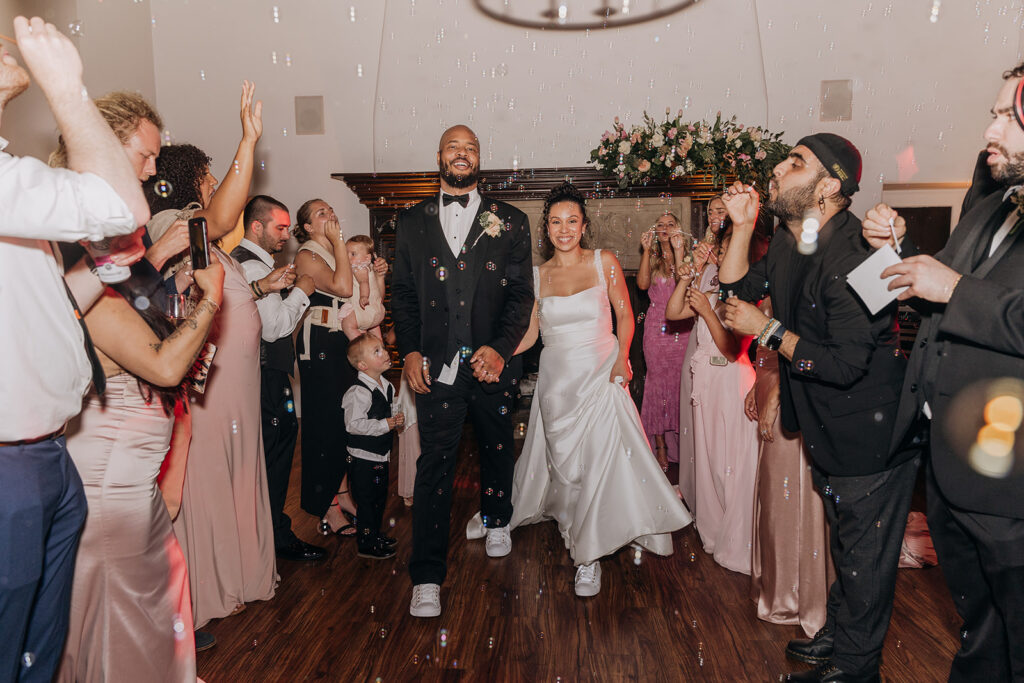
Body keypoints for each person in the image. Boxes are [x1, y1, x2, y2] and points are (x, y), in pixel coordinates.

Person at [715, 133, 918, 683]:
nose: (777, 168)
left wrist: (770, 330)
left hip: (872, 437)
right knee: (846, 544)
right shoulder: (791, 238)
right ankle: (840, 632)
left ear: (830, 186)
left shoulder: (863, 255)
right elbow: (734, 286)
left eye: (794, 161)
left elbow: (847, 364)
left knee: (865, 560)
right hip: (828, 427)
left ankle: (856, 670)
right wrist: (740, 225)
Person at [862, 62, 1024, 681]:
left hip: (1010, 485)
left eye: (1008, 115)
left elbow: (960, 293)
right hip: (956, 472)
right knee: (982, 633)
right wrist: (894, 247)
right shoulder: (993, 205)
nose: (990, 126)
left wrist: (952, 285)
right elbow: (940, 293)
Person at [0, 17, 149, 682]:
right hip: (11, 468)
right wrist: (66, 86)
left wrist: (103, 270)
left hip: (46, 455)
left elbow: (45, 305)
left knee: (38, 649)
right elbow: (122, 203)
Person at [485, 182, 691, 597]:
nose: (564, 229)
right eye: (556, 222)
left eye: (572, 221)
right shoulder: (537, 276)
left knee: (599, 460)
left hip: (601, 372)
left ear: (584, 226)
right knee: (569, 467)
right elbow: (529, 335)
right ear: (547, 228)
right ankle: (578, 527)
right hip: (557, 381)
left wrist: (622, 358)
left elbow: (625, 315)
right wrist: (499, 354)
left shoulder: (604, 262)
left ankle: (588, 557)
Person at [58, 258, 224, 683]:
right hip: (108, 495)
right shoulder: (97, 304)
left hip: (135, 492)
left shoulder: (133, 300)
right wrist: (213, 299)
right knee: (123, 617)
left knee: (149, 610)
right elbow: (167, 367)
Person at [392, 124, 534, 618]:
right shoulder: (410, 223)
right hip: (435, 368)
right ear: (438, 156)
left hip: (494, 366)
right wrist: (408, 351)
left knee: (498, 447)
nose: (462, 153)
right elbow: (404, 295)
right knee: (434, 466)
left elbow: (521, 295)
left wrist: (499, 349)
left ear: (479, 159)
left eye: (471, 147)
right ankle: (427, 575)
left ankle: (497, 517)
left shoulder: (510, 220)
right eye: (454, 146)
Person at [169, 83, 285, 628]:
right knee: (211, 480)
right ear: (192, 182)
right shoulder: (184, 233)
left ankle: (242, 571)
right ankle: (210, 587)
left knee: (241, 473)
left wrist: (261, 293)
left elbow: (227, 296)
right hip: (208, 383)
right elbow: (192, 298)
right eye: (208, 176)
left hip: (237, 384)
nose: (216, 185)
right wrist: (248, 141)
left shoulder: (210, 246)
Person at [231, 195, 326, 563]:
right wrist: (303, 289)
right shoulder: (254, 269)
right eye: (280, 227)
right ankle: (272, 538)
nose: (286, 234)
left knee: (264, 459)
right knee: (275, 459)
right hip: (268, 376)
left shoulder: (245, 261)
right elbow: (275, 328)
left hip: (253, 376)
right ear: (257, 226)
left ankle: (265, 534)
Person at [667, 230, 760, 574]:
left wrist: (707, 311)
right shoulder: (708, 290)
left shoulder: (746, 297)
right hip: (704, 382)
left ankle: (739, 535)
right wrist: (692, 271)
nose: (720, 258)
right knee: (707, 457)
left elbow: (733, 349)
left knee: (729, 461)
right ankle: (716, 526)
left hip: (732, 382)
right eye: (718, 252)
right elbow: (673, 311)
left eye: (726, 253)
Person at [747, 299, 833, 638]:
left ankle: (797, 595)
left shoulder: (806, 283)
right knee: (773, 494)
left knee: (789, 496)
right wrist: (758, 385)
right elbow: (766, 349)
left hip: (794, 393)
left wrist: (778, 396)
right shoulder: (773, 285)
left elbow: (811, 347)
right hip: (770, 382)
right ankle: (775, 583)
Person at [293, 198, 358, 537]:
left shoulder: (335, 252)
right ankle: (328, 507)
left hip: (340, 341)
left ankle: (343, 493)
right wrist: (337, 242)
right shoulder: (307, 255)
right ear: (306, 227)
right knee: (325, 424)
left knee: (345, 422)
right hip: (319, 343)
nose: (330, 214)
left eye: (331, 209)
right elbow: (342, 288)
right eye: (321, 213)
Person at [676, 197, 728, 509]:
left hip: (724, 338)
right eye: (709, 211)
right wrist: (691, 263)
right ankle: (692, 483)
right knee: (691, 406)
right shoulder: (703, 254)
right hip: (700, 334)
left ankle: (715, 488)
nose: (713, 216)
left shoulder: (736, 254)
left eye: (720, 210)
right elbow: (682, 294)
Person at [637, 212, 693, 471]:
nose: (665, 228)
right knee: (658, 384)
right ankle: (660, 445)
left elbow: (686, 282)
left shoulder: (688, 257)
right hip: (656, 328)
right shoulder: (653, 257)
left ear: (678, 229)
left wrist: (679, 251)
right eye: (660, 224)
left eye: (671, 224)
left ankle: (683, 444)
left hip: (682, 325)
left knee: (680, 384)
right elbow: (642, 284)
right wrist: (647, 251)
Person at [342, 334, 404, 560]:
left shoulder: (386, 384)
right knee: (367, 502)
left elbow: (390, 408)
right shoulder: (359, 392)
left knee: (379, 499)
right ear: (362, 365)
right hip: (363, 458)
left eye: (383, 348)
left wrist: (396, 417)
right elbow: (353, 425)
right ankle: (366, 543)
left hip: (381, 455)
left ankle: (374, 534)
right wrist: (385, 424)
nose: (386, 352)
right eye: (377, 351)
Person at [340, 235, 387, 340]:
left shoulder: (359, 269)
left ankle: (361, 346)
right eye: (346, 253)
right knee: (377, 339)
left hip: (363, 310)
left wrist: (364, 296)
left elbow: (363, 282)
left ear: (367, 258)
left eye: (353, 254)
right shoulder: (370, 268)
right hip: (376, 312)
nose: (348, 257)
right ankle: (380, 348)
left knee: (347, 325)